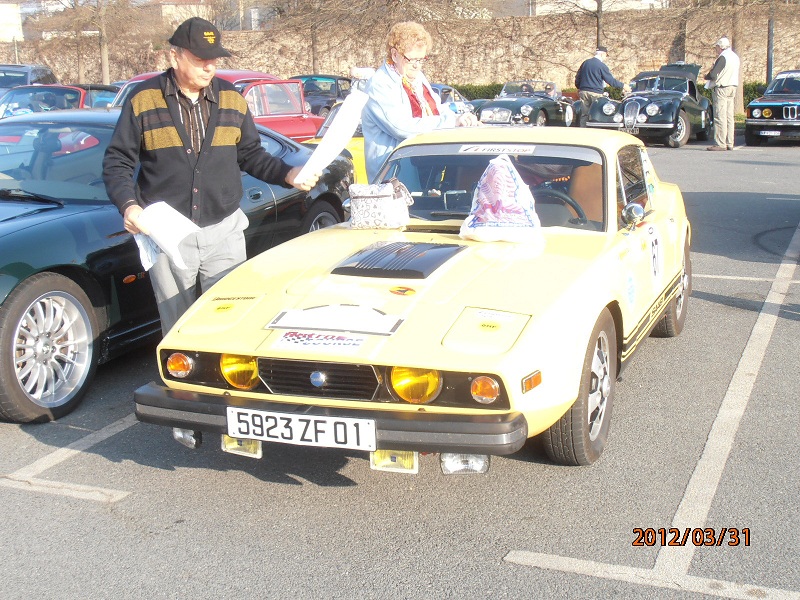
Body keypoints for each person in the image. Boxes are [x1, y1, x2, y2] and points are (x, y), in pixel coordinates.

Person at [103, 17, 320, 335]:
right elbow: (117, 161)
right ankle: (181, 385)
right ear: (174, 56)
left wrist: (289, 173)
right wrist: (129, 206)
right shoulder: (143, 100)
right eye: (200, 59)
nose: (209, 67)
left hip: (224, 231)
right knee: (179, 328)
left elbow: (251, 155)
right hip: (167, 236)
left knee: (228, 323)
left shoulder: (231, 98)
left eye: (214, 60)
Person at [362, 21, 478, 182]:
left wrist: (460, 117)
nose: (417, 66)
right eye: (412, 60)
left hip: (421, 169)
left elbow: (434, 109)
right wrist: (451, 121)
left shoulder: (416, 77)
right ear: (395, 55)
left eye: (421, 59)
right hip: (392, 175)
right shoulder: (379, 84)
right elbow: (401, 127)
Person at [575, 46, 630, 127]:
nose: (605, 57)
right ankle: (596, 132)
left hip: (584, 92)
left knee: (584, 114)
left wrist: (579, 87)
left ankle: (584, 132)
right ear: (602, 54)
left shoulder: (585, 63)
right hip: (596, 93)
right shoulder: (601, 65)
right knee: (596, 114)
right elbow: (611, 81)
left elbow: (578, 77)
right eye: (605, 55)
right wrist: (623, 85)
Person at [704, 36, 740, 151]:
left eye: (717, 48)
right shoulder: (735, 57)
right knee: (729, 116)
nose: (716, 50)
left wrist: (707, 76)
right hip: (733, 86)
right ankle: (730, 142)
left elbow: (714, 75)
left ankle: (720, 143)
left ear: (720, 47)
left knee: (720, 116)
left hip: (722, 87)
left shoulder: (723, 57)